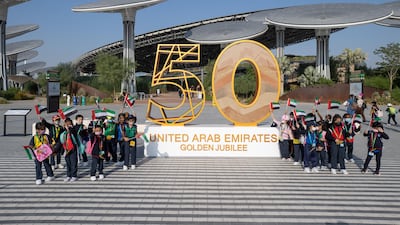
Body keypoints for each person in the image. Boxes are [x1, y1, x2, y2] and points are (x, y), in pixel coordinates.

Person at [60, 118, 79, 182]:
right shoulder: (63, 130)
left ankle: (74, 176)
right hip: (66, 149)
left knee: (73, 162)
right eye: (66, 124)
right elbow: (61, 140)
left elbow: (74, 133)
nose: (68, 125)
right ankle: (68, 175)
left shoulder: (73, 130)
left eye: (69, 123)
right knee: (68, 163)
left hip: (73, 149)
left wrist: (69, 129)